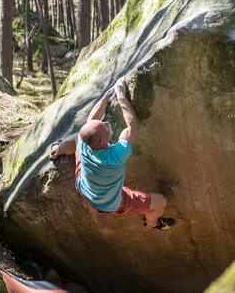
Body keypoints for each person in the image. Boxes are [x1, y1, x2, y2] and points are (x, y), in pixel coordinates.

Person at [49, 77, 175, 230]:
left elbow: (91, 119)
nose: (107, 124)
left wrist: (105, 97)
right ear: (103, 142)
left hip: (83, 188)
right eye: (105, 127)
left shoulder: (84, 143)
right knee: (161, 202)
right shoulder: (116, 155)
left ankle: (56, 150)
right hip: (110, 204)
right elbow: (132, 127)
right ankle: (153, 223)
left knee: (76, 137)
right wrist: (121, 96)